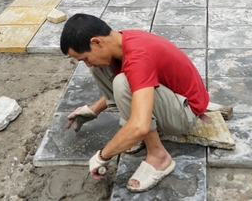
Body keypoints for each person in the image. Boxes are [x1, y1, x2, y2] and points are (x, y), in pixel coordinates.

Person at [60, 13, 210, 193]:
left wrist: (102, 156)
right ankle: (131, 129)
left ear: (96, 42)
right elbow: (138, 80)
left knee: (122, 84)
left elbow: (140, 125)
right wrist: (94, 109)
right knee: (101, 69)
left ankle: (159, 157)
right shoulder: (121, 40)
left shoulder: (138, 58)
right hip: (170, 97)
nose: (87, 64)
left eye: (84, 58)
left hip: (186, 113)